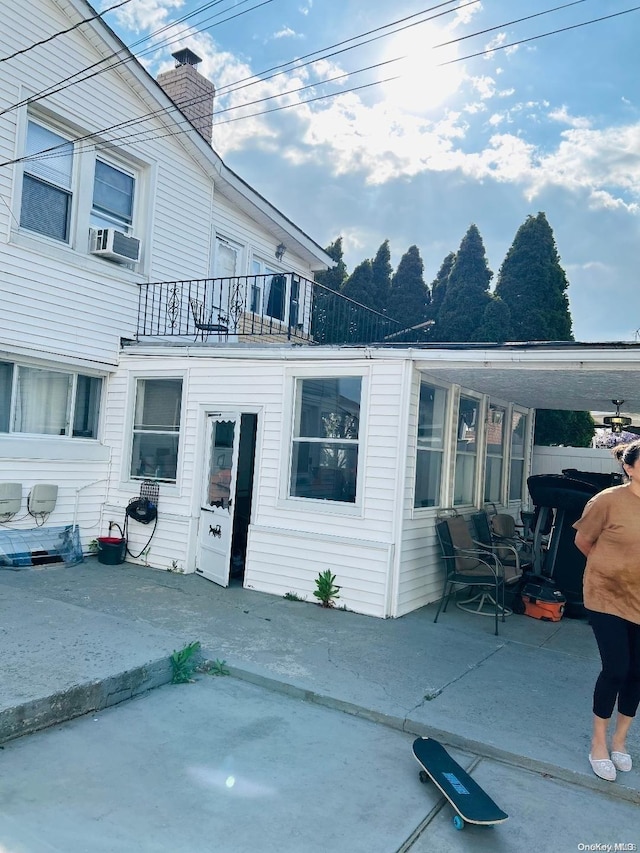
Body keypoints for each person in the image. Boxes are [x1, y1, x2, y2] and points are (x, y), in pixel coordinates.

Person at [573, 440, 640, 782]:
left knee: (636, 674)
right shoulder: (608, 500)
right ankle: (598, 743)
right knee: (616, 668)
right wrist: (606, 570)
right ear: (629, 467)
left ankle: (620, 741)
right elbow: (583, 541)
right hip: (607, 597)